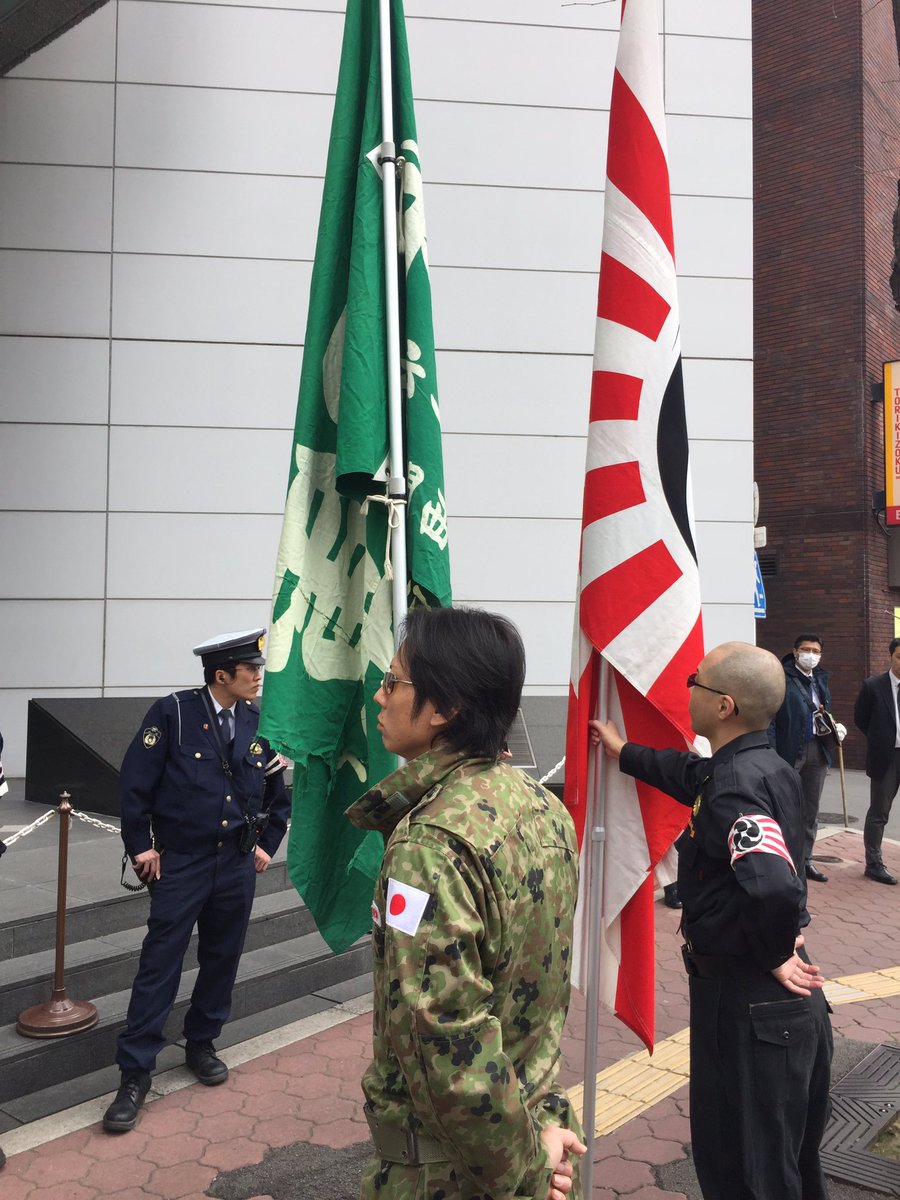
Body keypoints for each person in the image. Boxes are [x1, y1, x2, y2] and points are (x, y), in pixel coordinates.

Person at [347, 607, 586, 1200]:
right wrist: (544, 1139)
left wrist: (526, 1173)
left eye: (394, 682)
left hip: (456, 1173)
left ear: (444, 709)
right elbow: (542, 989)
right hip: (535, 1127)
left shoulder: (428, 844)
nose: (380, 697)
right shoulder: (542, 806)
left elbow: (447, 1038)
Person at [590, 642, 832, 1200]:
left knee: (746, 1170)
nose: (687, 686)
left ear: (723, 706)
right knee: (787, 1164)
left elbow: (770, 881)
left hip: (751, 1000)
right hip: (776, 1006)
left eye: (696, 681)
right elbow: (690, 774)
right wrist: (625, 751)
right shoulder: (758, 766)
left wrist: (774, 954)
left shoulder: (733, 786)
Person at [102, 629, 289, 1133]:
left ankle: (202, 1043)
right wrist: (139, 843)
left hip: (235, 865)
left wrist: (268, 843)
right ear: (220, 674)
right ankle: (135, 1072)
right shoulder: (174, 713)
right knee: (160, 963)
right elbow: (135, 782)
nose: (258, 676)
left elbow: (277, 789)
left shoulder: (259, 722)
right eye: (249, 669)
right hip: (181, 863)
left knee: (222, 957)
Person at [768, 633, 845, 883]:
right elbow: (772, 718)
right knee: (783, 808)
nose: (810, 655)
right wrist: (772, 752)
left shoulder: (821, 678)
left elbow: (823, 710)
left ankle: (806, 861)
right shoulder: (781, 678)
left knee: (810, 811)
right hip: (789, 750)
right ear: (795, 651)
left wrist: (833, 726)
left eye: (815, 651)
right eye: (805, 649)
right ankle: (781, 862)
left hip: (817, 750)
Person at [853, 636, 900, 884]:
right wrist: (881, 738)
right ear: (891, 656)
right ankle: (874, 863)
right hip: (887, 757)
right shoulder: (873, 686)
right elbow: (860, 718)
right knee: (879, 812)